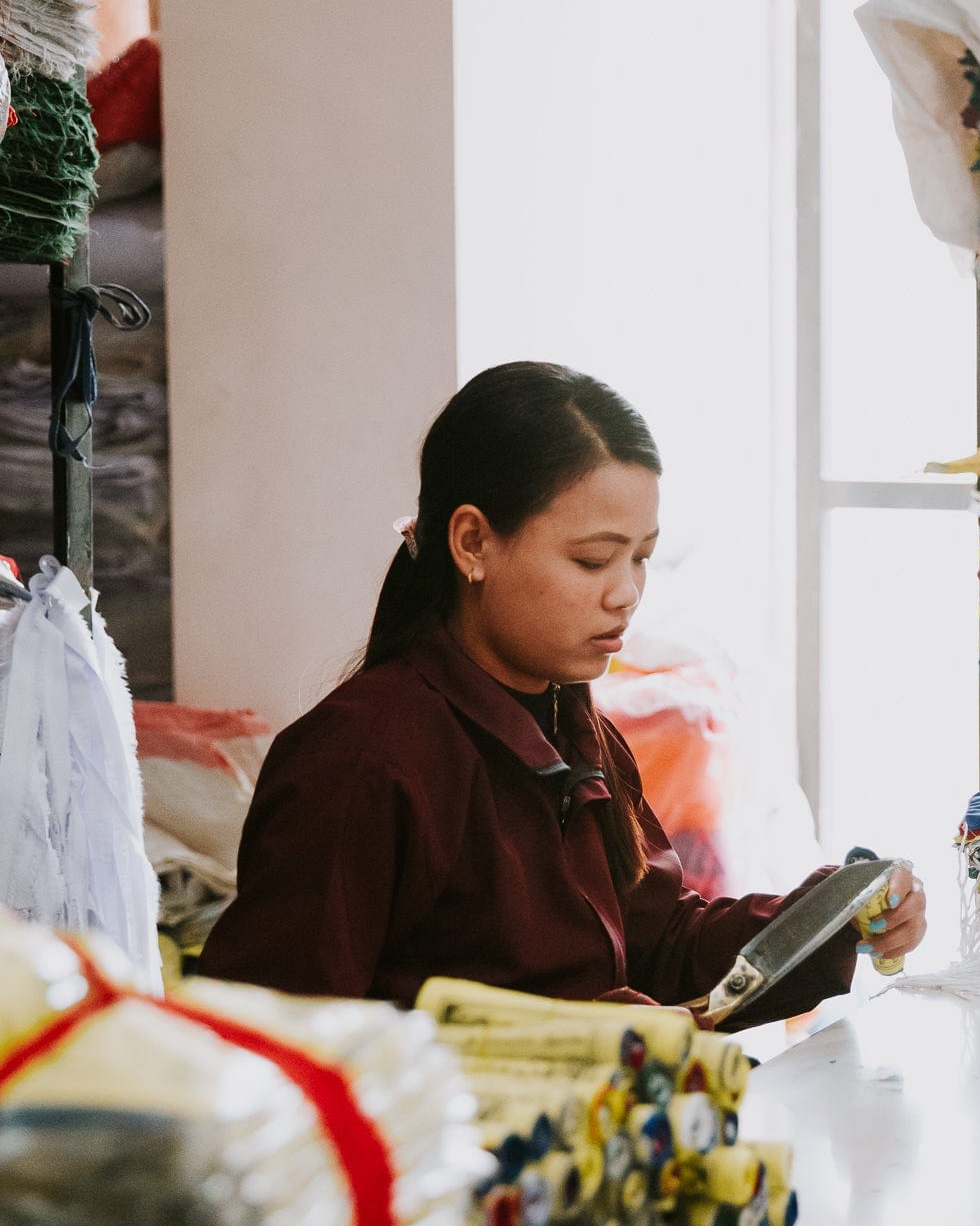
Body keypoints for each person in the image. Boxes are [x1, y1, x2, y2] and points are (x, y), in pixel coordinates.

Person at [199, 362, 927, 1019]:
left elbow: (658, 947)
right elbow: (276, 1046)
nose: (626, 595)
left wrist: (831, 916)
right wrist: (569, 1039)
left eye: (641, 558)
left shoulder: (576, 731)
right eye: (592, 561)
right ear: (473, 544)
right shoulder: (365, 757)